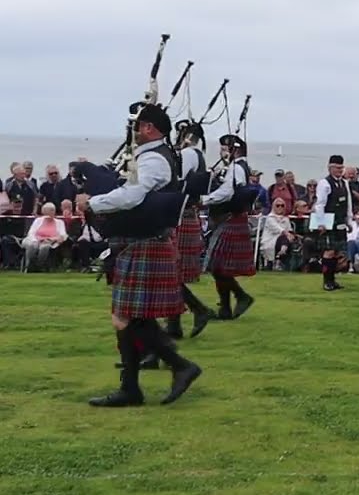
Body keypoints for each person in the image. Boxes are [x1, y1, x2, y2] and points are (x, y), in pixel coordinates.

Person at [80, 104, 202, 407]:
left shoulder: (153, 158)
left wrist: (94, 202)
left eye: (137, 126)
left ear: (149, 128)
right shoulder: (157, 155)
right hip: (144, 241)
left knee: (125, 317)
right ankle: (133, 387)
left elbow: (134, 195)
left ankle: (177, 366)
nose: (133, 132)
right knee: (129, 318)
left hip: (145, 242)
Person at [201, 134, 256, 319]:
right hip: (231, 218)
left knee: (218, 266)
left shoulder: (235, 168)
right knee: (219, 268)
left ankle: (239, 298)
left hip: (229, 218)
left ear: (234, 149)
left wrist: (205, 200)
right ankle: (227, 306)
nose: (221, 151)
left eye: (224, 148)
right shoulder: (239, 167)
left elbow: (227, 192)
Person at [171, 120, 214, 338]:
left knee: (171, 274)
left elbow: (177, 181)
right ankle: (175, 326)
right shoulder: (197, 155)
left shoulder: (188, 154)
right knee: (173, 275)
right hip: (188, 213)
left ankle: (198, 310)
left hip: (180, 213)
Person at [314, 155, 353, 291]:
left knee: (337, 252)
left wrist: (349, 220)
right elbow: (320, 205)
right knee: (329, 251)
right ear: (330, 168)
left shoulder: (345, 183)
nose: (339, 170)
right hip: (329, 221)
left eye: (341, 167)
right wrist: (321, 222)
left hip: (340, 221)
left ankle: (333, 280)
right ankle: (327, 281)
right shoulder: (324, 183)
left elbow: (348, 204)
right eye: (337, 168)